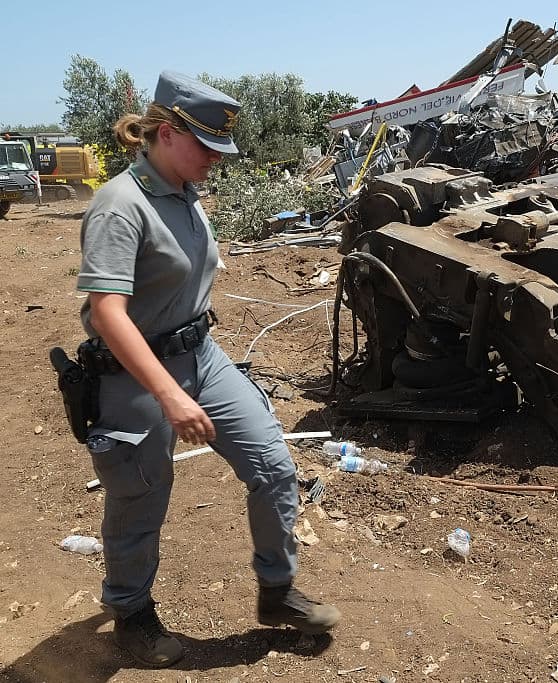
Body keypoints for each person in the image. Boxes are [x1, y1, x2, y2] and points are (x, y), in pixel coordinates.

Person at [75, 71, 340, 668]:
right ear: (166, 133)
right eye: (208, 148)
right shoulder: (121, 205)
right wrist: (168, 394)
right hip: (134, 373)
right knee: (140, 496)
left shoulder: (187, 191)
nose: (217, 161)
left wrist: (190, 374)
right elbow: (107, 312)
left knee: (272, 464)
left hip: (201, 355)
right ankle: (133, 615)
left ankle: (276, 592)